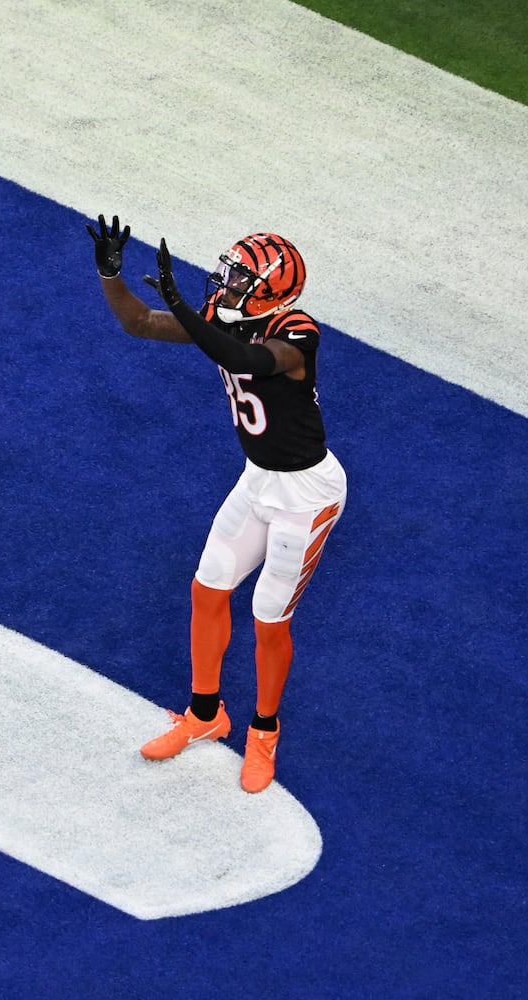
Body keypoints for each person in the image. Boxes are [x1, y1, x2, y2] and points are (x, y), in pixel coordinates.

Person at [86, 215, 347, 793]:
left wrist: (184, 309)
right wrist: (110, 273)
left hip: (306, 494)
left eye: (238, 282)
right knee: (207, 592)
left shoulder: (299, 331)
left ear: (272, 291)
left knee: (268, 619)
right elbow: (137, 322)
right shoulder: (223, 319)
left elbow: (250, 360)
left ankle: (264, 732)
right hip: (258, 479)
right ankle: (206, 714)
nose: (223, 289)